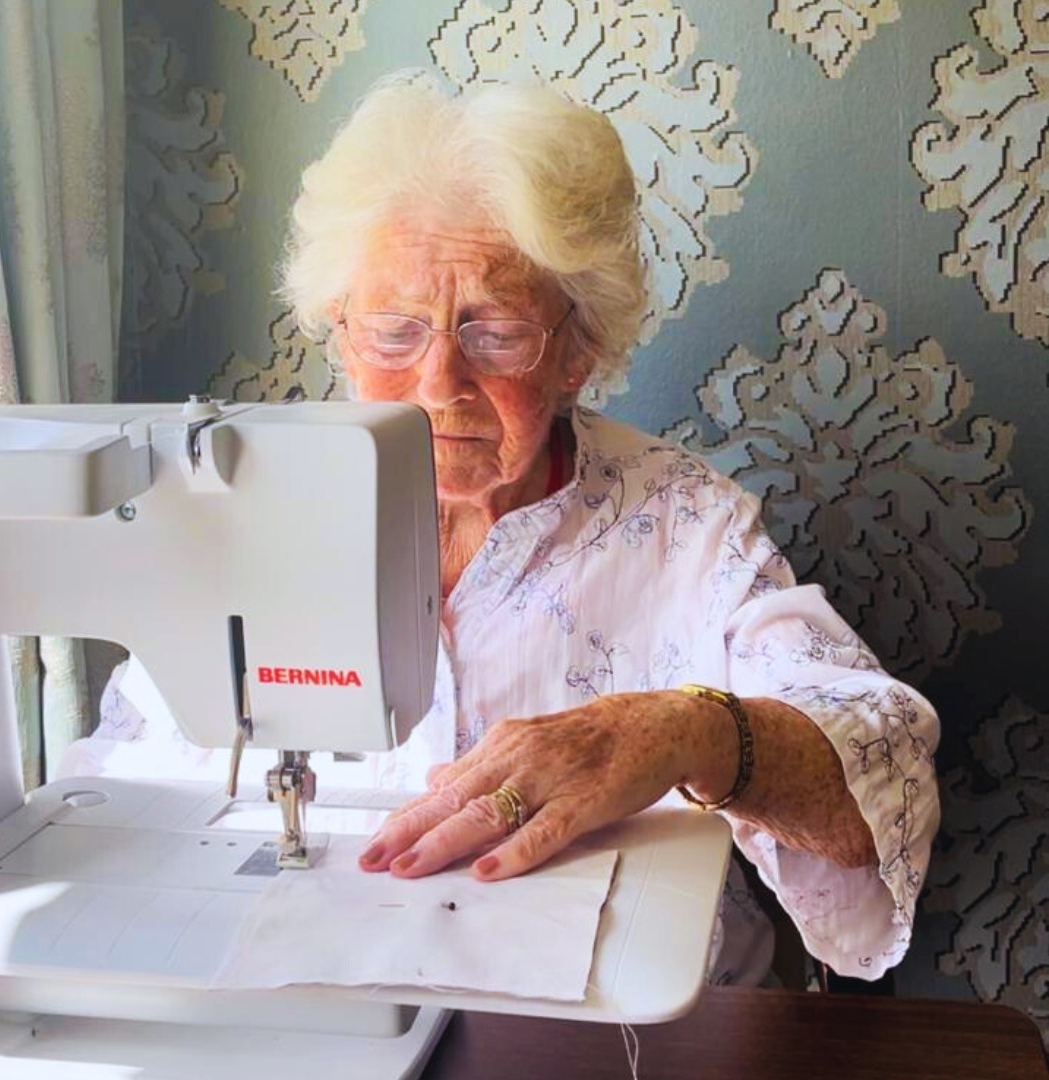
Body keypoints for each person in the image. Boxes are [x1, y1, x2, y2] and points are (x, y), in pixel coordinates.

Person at [69, 73, 940, 985]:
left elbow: (884, 778)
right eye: (396, 330)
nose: (439, 381)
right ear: (339, 330)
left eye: (495, 331)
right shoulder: (241, 507)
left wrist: (685, 732)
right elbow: (118, 797)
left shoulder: (685, 527)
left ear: (580, 347)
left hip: (629, 1033)